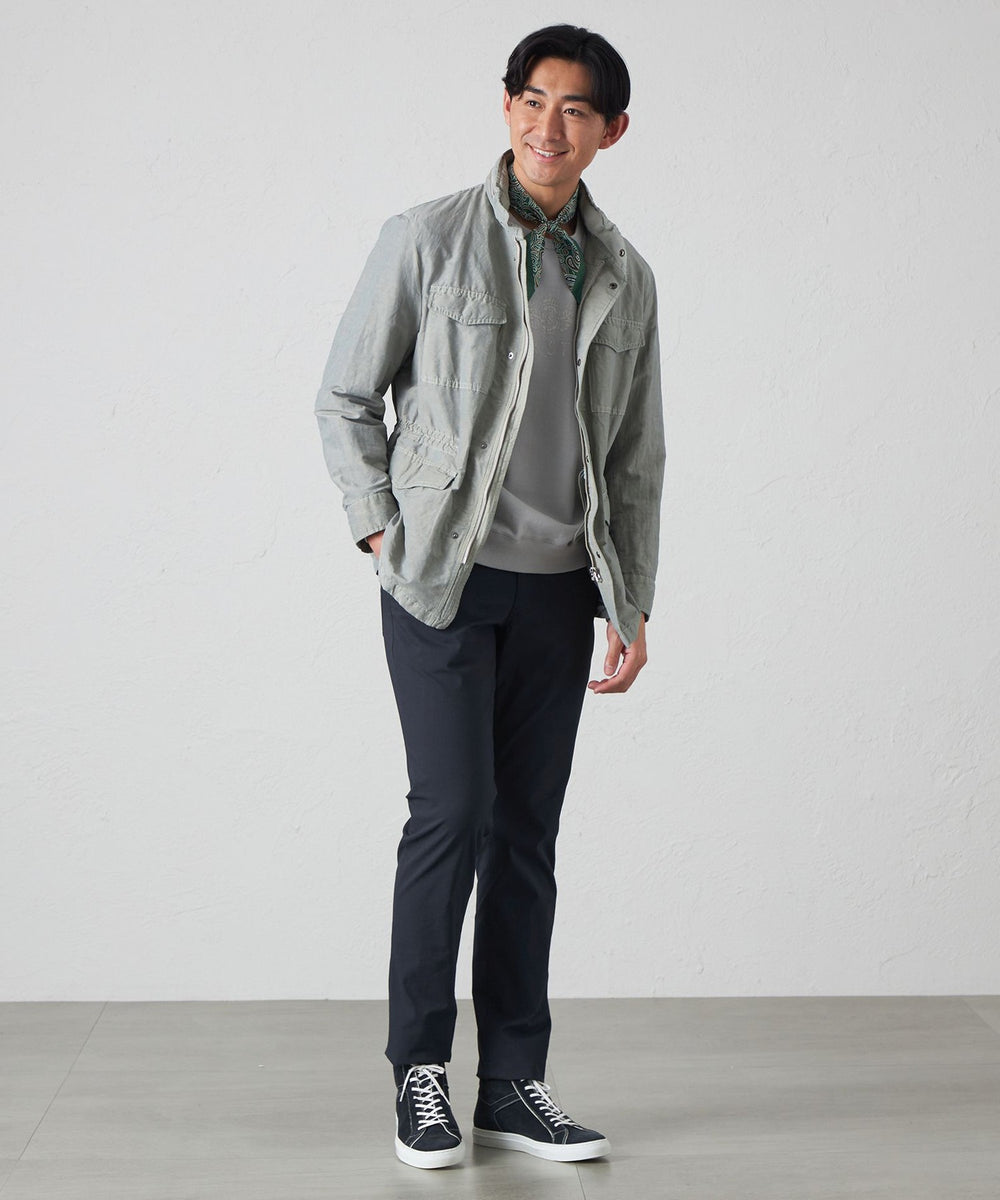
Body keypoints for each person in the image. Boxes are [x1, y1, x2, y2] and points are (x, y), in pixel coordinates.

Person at [313, 23, 665, 1171]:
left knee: (525, 836)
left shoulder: (624, 276)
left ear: (611, 130)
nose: (547, 126)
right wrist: (382, 528)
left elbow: (636, 457)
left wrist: (630, 599)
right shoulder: (427, 238)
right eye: (531, 99)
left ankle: (513, 1082)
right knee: (452, 815)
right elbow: (345, 397)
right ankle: (419, 1071)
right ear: (506, 105)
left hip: (561, 594)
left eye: (575, 109)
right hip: (442, 585)